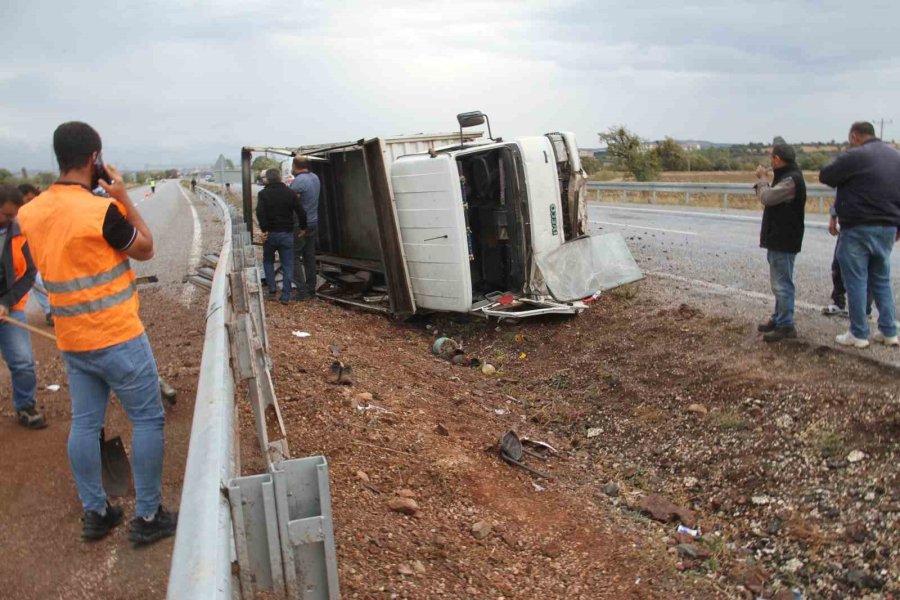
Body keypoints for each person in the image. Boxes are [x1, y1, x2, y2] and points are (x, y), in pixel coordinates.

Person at [18, 122, 177, 545]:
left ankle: (96, 511)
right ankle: (147, 517)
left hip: (72, 339)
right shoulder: (101, 210)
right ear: (95, 160)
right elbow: (145, 247)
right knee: (147, 418)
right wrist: (122, 195)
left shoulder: (28, 213)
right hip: (117, 334)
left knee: (84, 424)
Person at [820, 121, 900, 348]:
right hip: (887, 227)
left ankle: (858, 333)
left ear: (854, 136)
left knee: (855, 281)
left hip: (858, 227)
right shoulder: (896, 157)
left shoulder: (855, 156)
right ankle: (889, 331)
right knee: (881, 280)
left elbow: (826, 175)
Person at [754, 142, 807, 342]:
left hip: (784, 239)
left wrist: (762, 179)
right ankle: (778, 318)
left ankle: (786, 325)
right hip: (780, 237)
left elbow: (767, 197)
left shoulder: (791, 180)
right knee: (779, 282)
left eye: (771, 158)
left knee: (782, 283)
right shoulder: (787, 176)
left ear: (777, 159)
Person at [0, 185, 44, 429]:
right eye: (6, 215)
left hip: (9, 306)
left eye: (14, 214)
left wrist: (5, 303)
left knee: (23, 361)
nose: (12, 220)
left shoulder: (19, 233)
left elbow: (29, 273)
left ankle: (25, 405)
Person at [256, 168, 305, 305]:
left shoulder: (263, 194)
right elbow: (301, 212)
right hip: (286, 234)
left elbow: (260, 213)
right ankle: (285, 295)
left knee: (268, 261)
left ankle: (272, 290)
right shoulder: (290, 193)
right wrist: (303, 228)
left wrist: (264, 229)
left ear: (268, 179)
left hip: (270, 234)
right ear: (279, 178)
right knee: (287, 264)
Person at [17, 184, 53, 325]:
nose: (30, 202)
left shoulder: (37, 211)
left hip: (39, 254)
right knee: (36, 280)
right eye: (28, 199)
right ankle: (50, 312)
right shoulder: (16, 216)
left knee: (41, 281)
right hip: (23, 257)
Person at [289, 156, 321, 300]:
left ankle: (302, 292)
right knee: (309, 256)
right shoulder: (315, 178)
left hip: (300, 225)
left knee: (293, 256)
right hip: (313, 222)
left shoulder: (298, 182)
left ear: (295, 166)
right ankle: (311, 289)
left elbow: (292, 204)